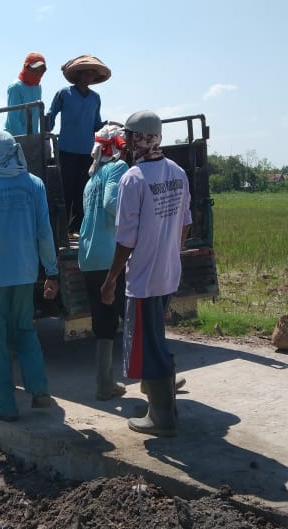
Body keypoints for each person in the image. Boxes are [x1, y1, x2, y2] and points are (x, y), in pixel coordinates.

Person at [101, 110, 192, 437]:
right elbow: (185, 223)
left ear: (136, 139)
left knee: (148, 347)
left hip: (143, 281)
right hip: (168, 276)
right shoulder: (177, 172)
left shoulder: (133, 179)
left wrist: (111, 279)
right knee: (156, 339)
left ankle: (161, 418)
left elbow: (126, 240)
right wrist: (169, 252)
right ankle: (166, 407)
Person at [0, 130, 60, 422]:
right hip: (25, 273)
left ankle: (5, 407)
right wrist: (51, 271)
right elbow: (45, 232)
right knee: (24, 330)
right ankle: (39, 390)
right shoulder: (35, 185)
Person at [78, 123, 129, 400]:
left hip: (88, 256)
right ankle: (154, 378)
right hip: (110, 256)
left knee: (103, 320)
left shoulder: (92, 177)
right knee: (134, 318)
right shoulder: (117, 169)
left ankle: (104, 384)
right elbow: (112, 204)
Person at [45, 55, 109, 236]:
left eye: (92, 75)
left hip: (87, 151)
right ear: (79, 75)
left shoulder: (95, 98)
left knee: (83, 190)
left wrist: (109, 126)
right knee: (66, 189)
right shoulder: (64, 93)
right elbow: (51, 116)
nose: (88, 77)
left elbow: (96, 124)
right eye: (86, 73)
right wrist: (44, 129)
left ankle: (77, 228)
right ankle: (61, 229)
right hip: (66, 149)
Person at [4, 52, 47, 136]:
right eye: (34, 68)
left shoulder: (38, 87)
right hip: (15, 138)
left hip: (33, 137)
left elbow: (35, 117)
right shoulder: (15, 87)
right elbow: (13, 119)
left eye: (41, 70)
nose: (38, 73)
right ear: (26, 67)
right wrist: (24, 139)